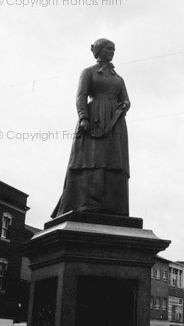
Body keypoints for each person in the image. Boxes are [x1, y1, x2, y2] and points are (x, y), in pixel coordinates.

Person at [52, 38, 130, 217]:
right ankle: (89, 201)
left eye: (114, 49)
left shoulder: (118, 78)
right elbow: (81, 96)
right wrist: (83, 117)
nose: (112, 52)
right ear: (99, 51)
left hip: (115, 123)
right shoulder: (88, 72)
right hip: (94, 118)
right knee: (92, 159)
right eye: (109, 49)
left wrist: (124, 106)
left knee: (113, 160)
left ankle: (112, 204)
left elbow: (125, 98)